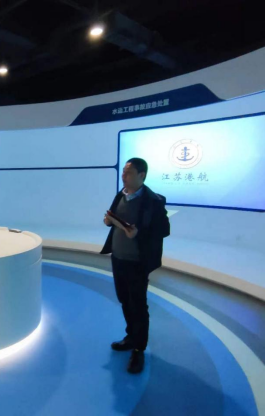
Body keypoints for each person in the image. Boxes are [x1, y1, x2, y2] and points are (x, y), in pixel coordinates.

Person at [101, 158, 171, 374]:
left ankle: (139, 349)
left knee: (138, 305)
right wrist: (108, 221)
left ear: (142, 175)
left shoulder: (153, 201)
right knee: (124, 300)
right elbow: (113, 217)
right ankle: (131, 337)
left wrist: (139, 232)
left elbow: (164, 230)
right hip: (118, 258)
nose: (124, 176)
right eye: (123, 172)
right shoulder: (120, 195)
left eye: (129, 172)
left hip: (137, 262)